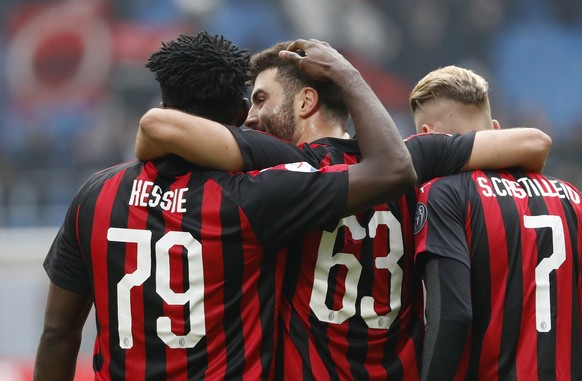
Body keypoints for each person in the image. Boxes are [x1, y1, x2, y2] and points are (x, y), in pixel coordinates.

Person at [133, 44, 552, 380]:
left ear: (305, 102)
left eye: (261, 100)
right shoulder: (418, 157)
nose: (251, 118)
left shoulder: (275, 165)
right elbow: (534, 143)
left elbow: (158, 127)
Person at [33, 33, 416, 381]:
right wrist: (345, 74)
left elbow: (57, 335)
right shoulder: (258, 194)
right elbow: (392, 169)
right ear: (239, 115)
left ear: (165, 103)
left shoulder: (95, 195)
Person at [411, 65, 582, 380]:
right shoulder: (571, 197)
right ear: (497, 128)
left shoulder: (443, 194)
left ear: (426, 139)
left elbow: (452, 315)